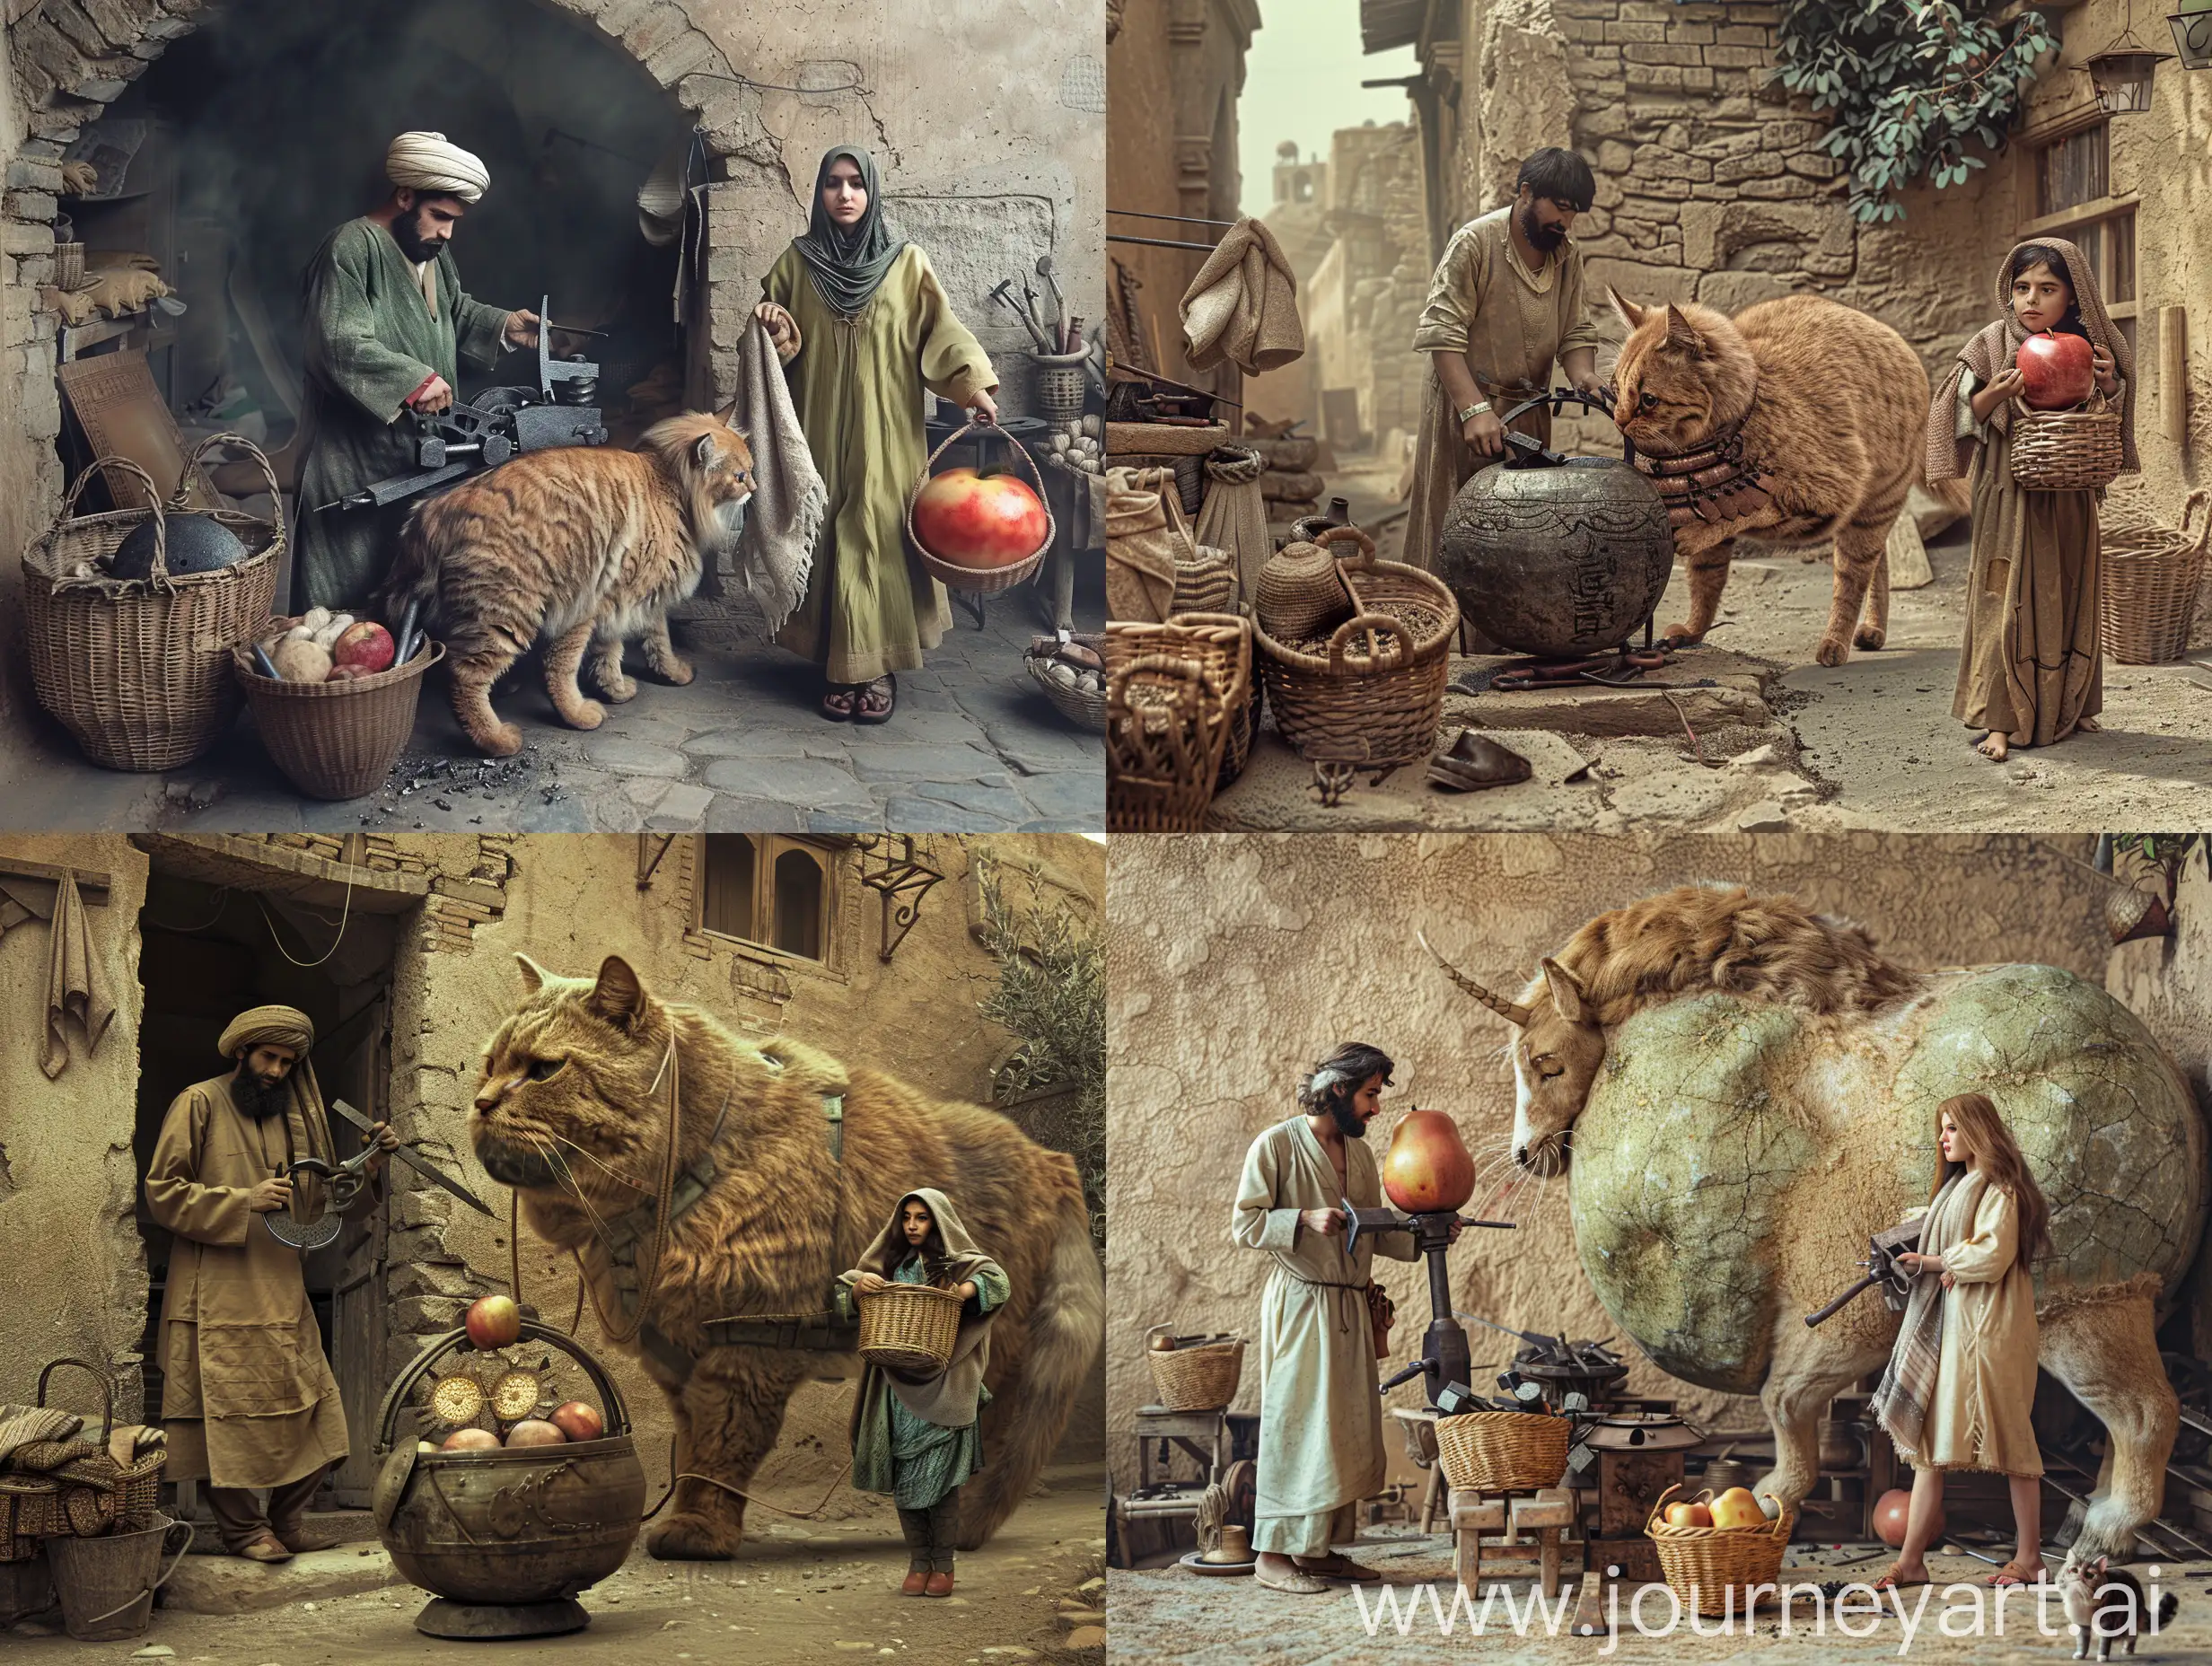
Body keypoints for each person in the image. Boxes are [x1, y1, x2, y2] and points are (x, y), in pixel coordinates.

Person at [753, 145, 1000, 725]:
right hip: (815, 433)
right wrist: (774, 328)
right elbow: (776, 354)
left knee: (879, 534)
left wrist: (974, 388)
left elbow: (943, 334)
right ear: (819, 194)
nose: (844, 194)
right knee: (828, 535)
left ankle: (875, 668)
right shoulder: (795, 264)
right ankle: (836, 662)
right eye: (833, 184)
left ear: (872, 193)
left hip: (886, 437)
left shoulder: (906, 264)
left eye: (856, 184)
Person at [144, 1006, 399, 1561]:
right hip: (213, 1291)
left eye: (287, 1062)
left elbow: (327, 1205)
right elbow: (162, 1191)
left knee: (315, 1406)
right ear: (242, 1053)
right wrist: (242, 1201)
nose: (277, 1071)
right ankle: (244, 1532)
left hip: (281, 1288)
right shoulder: (199, 1102)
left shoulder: (294, 1123)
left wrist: (370, 1168)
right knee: (223, 1414)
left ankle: (288, 1521)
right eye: (269, 1057)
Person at [1233, 1043, 1457, 1595]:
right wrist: (1303, 1219)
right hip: (1302, 1304)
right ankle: (1273, 1554)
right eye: (1370, 1094)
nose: (1376, 1108)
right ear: (1338, 1090)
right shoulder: (1276, 1145)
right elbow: (1244, 1226)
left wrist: (1428, 1234)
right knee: (1299, 1425)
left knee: (1342, 1429)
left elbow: (1374, 1231)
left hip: (1351, 1307)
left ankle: (1320, 1550)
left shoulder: (1358, 1157)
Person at [295, 131, 542, 612]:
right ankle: (350, 689)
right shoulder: (351, 247)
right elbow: (336, 341)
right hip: (354, 456)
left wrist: (506, 326)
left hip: (415, 452)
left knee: (410, 578)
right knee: (346, 591)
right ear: (405, 197)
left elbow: (455, 311)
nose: (448, 232)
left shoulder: (431, 253)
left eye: (454, 221)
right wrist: (413, 380)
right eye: (441, 218)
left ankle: (407, 679)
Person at [1927, 240, 2133, 763]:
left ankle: (2074, 703)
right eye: (2022, 288)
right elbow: (1957, 416)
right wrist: (1995, 394)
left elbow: (2104, 411)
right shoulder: (1991, 344)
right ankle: (2000, 719)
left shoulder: (2088, 345)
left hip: (2069, 493)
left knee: (2069, 585)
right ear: (2008, 291)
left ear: (2073, 295)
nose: (2031, 300)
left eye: (2048, 288)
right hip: (2007, 491)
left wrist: (2109, 386)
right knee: (2006, 590)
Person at [1869, 1092, 2050, 1591]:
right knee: (1932, 1443)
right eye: (1941, 1129)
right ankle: (1911, 1563)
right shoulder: (1958, 1188)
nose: (1942, 1138)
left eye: (1951, 1127)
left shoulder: (2001, 1189)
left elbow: (1992, 1254)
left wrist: (1936, 1262)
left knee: (2012, 1440)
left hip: (1991, 1332)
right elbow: (1948, 1235)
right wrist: (1922, 1250)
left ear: (1977, 1130)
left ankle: (2031, 1559)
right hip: (1957, 1330)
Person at [1402, 148, 1609, 572]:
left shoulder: (1567, 254)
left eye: (1574, 214)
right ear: (1526, 192)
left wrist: (1585, 375)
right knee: (1457, 530)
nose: (1566, 223)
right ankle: (1450, 635)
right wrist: (1474, 410)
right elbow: (1442, 335)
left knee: (1520, 533)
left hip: (1528, 413)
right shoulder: (1474, 243)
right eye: (1560, 208)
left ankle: (1508, 638)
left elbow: (1575, 331)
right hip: (1464, 409)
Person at [837, 1188, 1009, 1598]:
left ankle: (944, 1567)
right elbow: (842, 1293)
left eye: (922, 1218)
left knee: (942, 1483)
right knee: (906, 1480)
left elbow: (996, 1282)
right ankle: (918, 1562)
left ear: (939, 1222)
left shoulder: (957, 1265)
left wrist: (965, 1291)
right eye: (907, 1217)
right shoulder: (889, 1263)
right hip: (895, 1389)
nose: (913, 1225)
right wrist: (861, 1286)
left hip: (945, 1382)